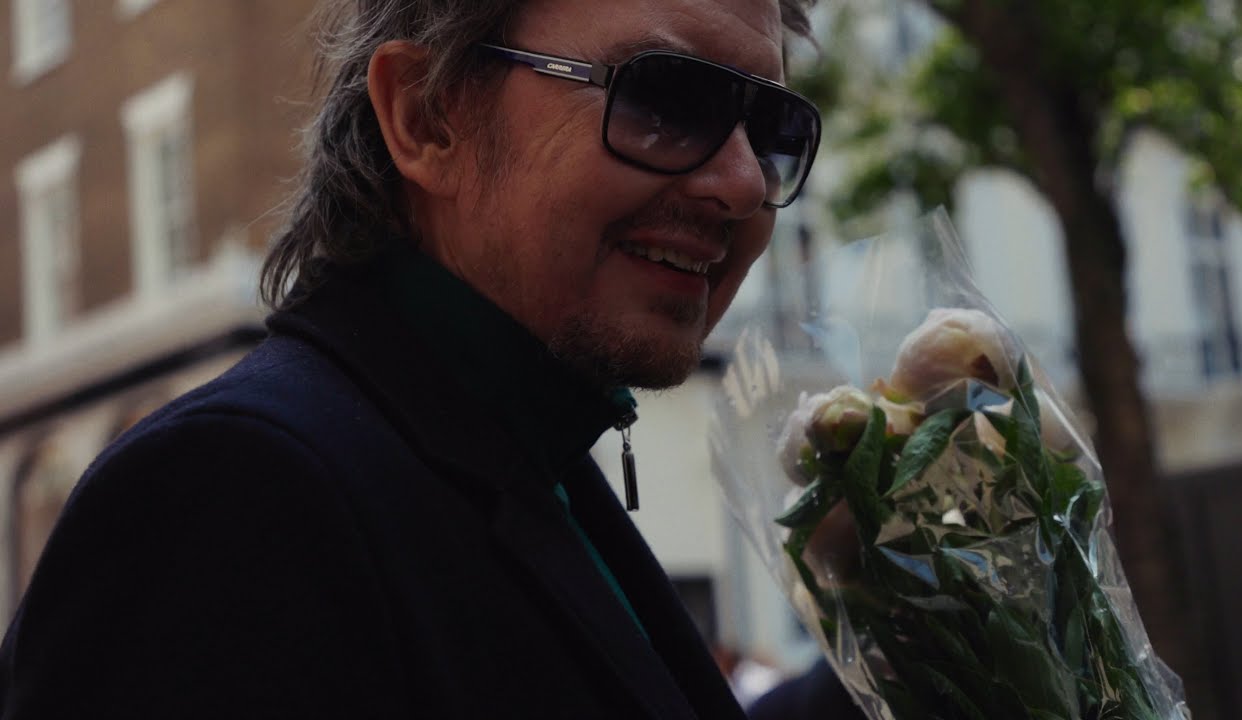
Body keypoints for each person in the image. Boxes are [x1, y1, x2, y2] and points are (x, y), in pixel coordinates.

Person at [0, 0, 821, 717]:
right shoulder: (235, 489)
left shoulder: (528, 451)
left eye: (772, 130)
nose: (745, 184)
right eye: (666, 99)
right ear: (424, 116)